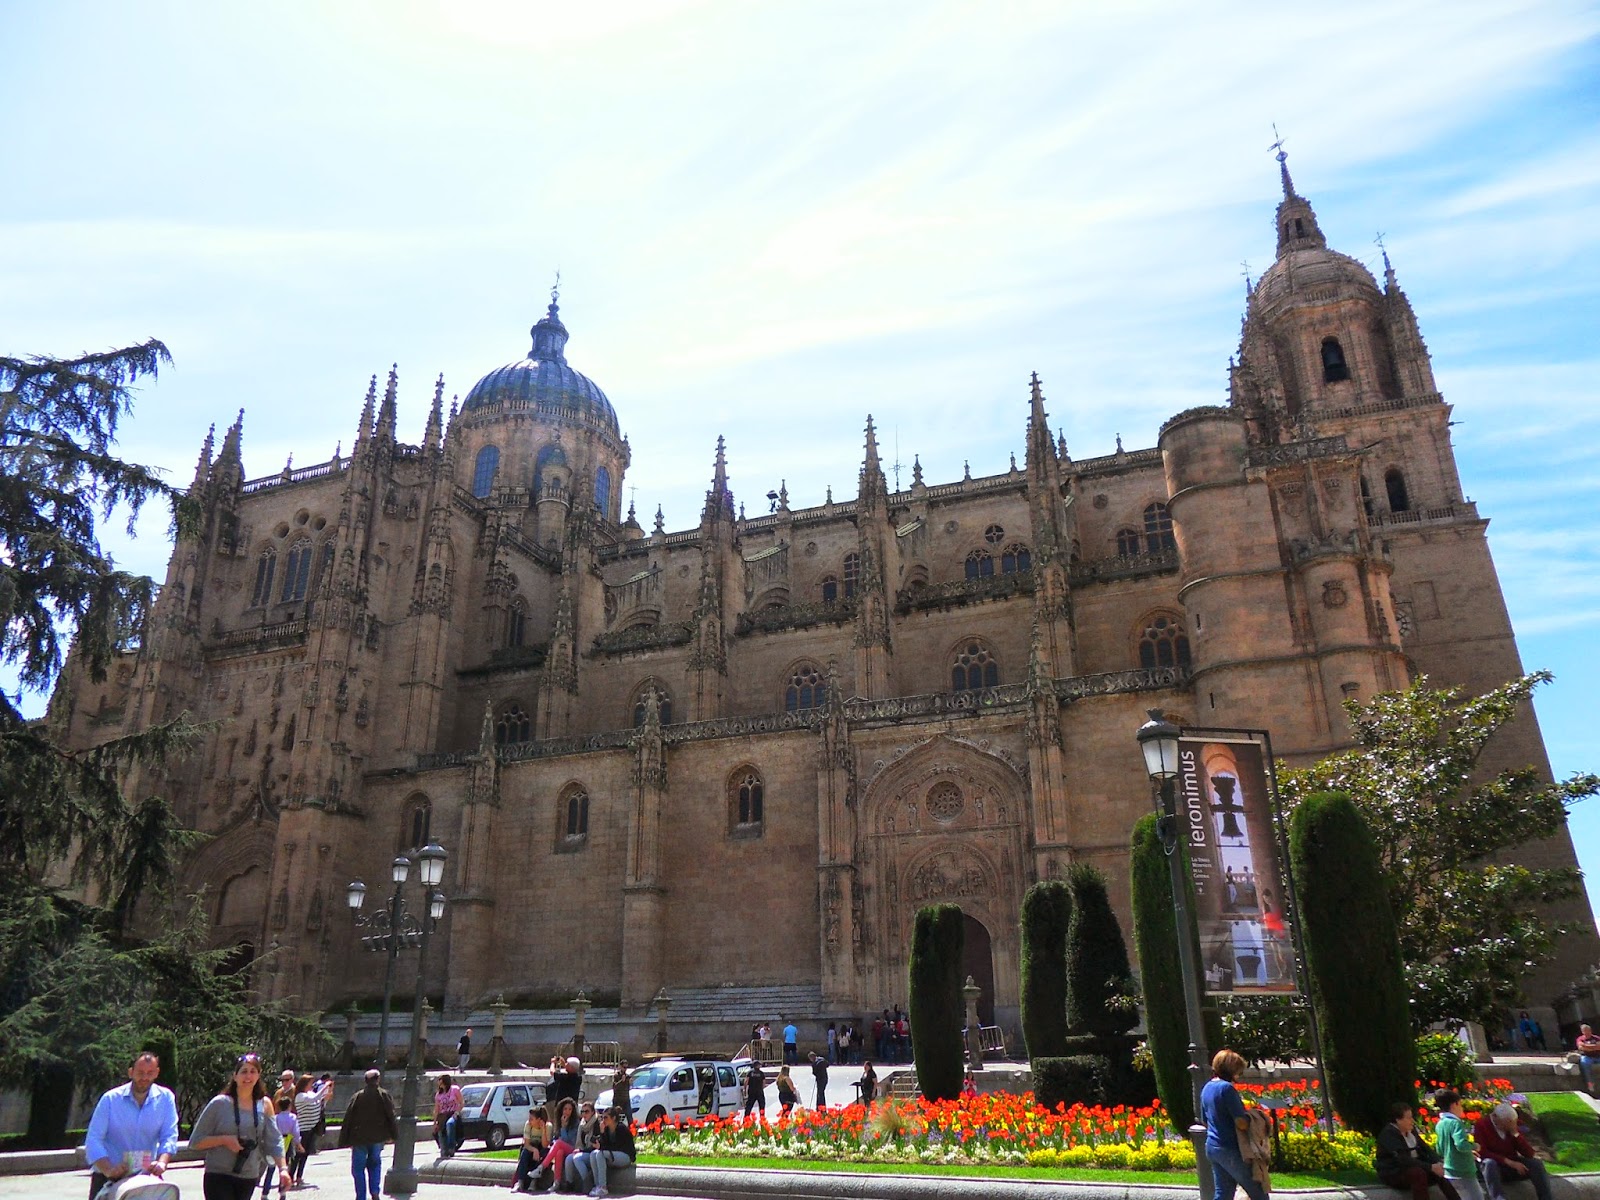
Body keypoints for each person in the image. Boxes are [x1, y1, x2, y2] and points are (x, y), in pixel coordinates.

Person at [190, 1052, 290, 1200]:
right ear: (235, 1076)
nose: (248, 1077)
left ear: (258, 1076)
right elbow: (195, 1141)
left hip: (248, 1175)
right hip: (218, 1174)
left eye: (253, 1072)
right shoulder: (220, 1103)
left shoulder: (265, 1104)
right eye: (243, 1072)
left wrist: (283, 1169)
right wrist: (224, 1140)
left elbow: (274, 1140)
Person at [83, 1050, 181, 1200]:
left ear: (157, 1073)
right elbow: (93, 1139)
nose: (144, 1077)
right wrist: (109, 1169)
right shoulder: (110, 1099)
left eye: (150, 1073)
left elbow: (169, 1135)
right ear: (131, 1072)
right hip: (108, 1176)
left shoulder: (166, 1098)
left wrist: (162, 1162)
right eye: (140, 1072)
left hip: (146, 1177)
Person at [1201, 1048, 1269, 1200]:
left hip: (1212, 1147)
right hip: (1231, 1149)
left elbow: (1204, 1121)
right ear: (1231, 1070)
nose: (1239, 1075)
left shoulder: (1207, 1088)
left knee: (1223, 1194)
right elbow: (1241, 1123)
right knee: (1258, 1192)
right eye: (1239, 1071)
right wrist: (1254, 1117)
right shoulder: (1227, 1089)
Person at [1376, 1102, 1460, 1200]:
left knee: (1439, 1173)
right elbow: (1403, 1160)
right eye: (1409, 1118)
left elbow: (1426, 1149)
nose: (1412, 1121)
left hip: (1414, 1167)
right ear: (1398, 1120)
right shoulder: (1389, 1134)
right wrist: (1429, 1167)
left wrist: (1437, 1163)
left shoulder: (1411, 1131)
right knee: (1418, 1174)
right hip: (1394, 1172)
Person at [337, 1068, 399, 1200]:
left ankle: (361, 1196)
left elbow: (348, 1118)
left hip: (359, 1138)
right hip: (377, 1137)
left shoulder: (357, 1096)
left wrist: (344, 1139)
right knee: (375, 1164)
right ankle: (375, 1192)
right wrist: (394, 1135)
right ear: (378, 1079)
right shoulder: (384, 1095)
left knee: (358, 1169)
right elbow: (391, 1116)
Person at [1475, 1102, 1552, 1200]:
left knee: (1536, 1164)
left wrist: (1515, 1134)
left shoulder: (1511, 1126)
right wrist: (1509, 1162)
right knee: (1489, 1163)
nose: (1509, 1126)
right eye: (1506, 1123)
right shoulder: (1482, 1125)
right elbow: (1482, 1153)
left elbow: (1529, 1153)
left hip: (1511, 1167)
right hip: (1494, 1168)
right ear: (1496, 1118)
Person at [571, 1107, 635, 1199]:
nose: (603, 1120)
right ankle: (598, 1185)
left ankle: (603, 1187)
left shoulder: (621, 1129)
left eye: (606, 1117)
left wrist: (601, 1147)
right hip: (612, 1155)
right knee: (594, 1153)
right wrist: (602, 1133)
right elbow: (603, 1145)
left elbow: (616, 1147)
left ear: (613, 1118)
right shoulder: (607, 1129)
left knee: (600, 1153)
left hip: (625, 1156)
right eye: (602, 1117)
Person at [1432, 1090, 1483, 1200]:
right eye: (1460, 1104)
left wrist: (1468, 1153)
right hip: (1463, 1170)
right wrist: (1474, 1146)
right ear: (1454, 1104)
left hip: (1449, 1171)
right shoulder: (1455, 1123)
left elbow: (1440, 1149)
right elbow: (1461, 1145)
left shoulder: (1440, 1124)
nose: (1461, 1108)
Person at [532, 1096, 581, 1193]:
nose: (567, 1112)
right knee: (559, 1151)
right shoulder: (559, 1120)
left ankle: (541, 1168)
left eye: (570, 1109)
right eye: (565, 1109)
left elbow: (570, 1140)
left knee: (559, 1144)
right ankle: (556, 1182)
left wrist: (563, 1127)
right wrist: (561, 1128)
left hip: (573, 1149)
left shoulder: (575, 1123)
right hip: (562, 1148)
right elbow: (556, 1137)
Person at [288, 1073, 326, 1185]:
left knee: (305, 1155)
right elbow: (315, 1098)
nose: (312, 1085)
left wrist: (325, 1095)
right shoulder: (300, 1096)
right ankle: (290, 1176)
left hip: (310, 1128)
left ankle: (299, 1177)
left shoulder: (308, 1094)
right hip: (302, 1129)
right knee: (298, 1155)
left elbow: (318, 1102)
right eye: (310, 1083)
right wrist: (324, 1087)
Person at [510, 1102, 551, 1193]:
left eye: (532, 1119)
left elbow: (545, 1145)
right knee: (525, 1152)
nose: (529, 1120)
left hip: (541, 1147)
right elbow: (526, 1144)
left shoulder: (548, 1126)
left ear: (539, 1119)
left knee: (543, 1152)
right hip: (531, 1147)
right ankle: (519, 1182)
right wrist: (534, 1150)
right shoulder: (528, 1125)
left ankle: (534, 1182)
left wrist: (543, 1130)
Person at [434, 1073, 465, 1158]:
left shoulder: (455, 1089)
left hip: (453, 1114)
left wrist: (457, 1113)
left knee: (450, 1124)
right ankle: (444, 1150)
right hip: (442, 1115)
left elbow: (461, 1102)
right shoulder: (438, 1095)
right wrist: (435, 1122)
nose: (438, 1082)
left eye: (440, 1080)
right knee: (441, 1131)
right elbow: (437, 1109)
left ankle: (451, 1147)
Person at [1576, 1023, 1600, 1096]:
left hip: (1598, 1056)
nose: (1587, 1032)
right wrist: (1594, 1047)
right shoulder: (1580, 1039)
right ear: (1582, 1031)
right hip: (1587, 1057)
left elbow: (1599, 1047)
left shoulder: (1596, 1038)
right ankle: (1590, 1085)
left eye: (1588, 1030)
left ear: (1590, 1030)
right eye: (1585, 1031)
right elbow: (1581, 1048)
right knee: (1584, 1063)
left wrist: (1587, 1046)